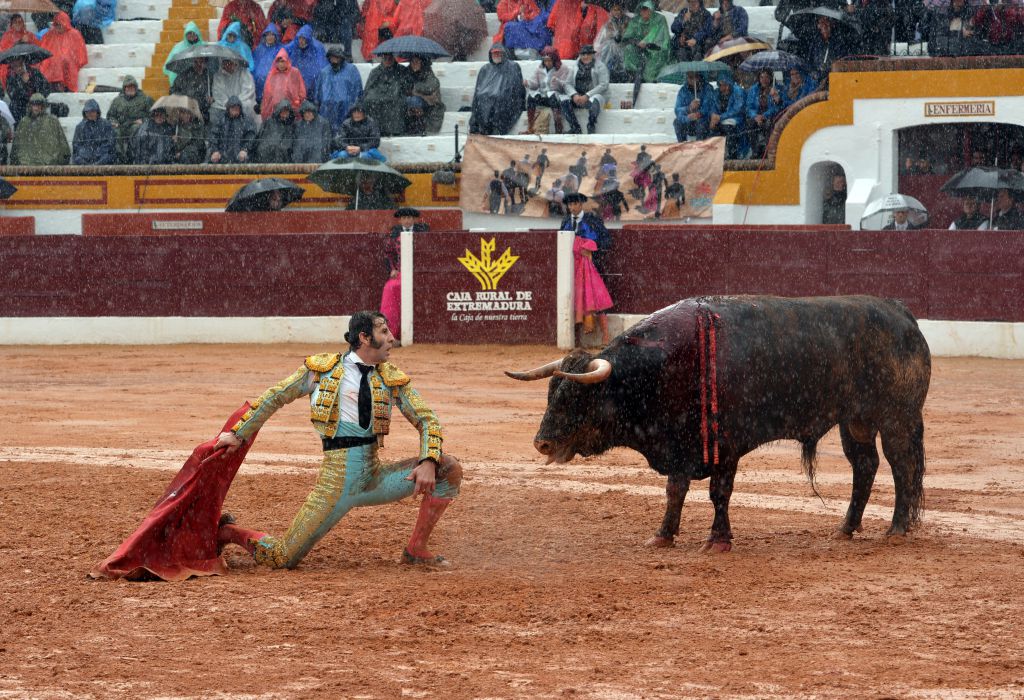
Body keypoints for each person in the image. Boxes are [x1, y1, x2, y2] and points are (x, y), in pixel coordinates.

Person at [213, 311, 462, 569]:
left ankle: (416, 549)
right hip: (335, 485)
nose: (392, 339)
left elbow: (426, 418)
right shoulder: (321, 371)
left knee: (449, 468)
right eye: (384, 332)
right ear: (364, 337)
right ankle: (229, 532)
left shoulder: (391, 378)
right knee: (283, 558)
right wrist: (238, 433)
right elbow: (275, 396)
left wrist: (429, 459)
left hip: (375, 478)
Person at [561, 193, 613, 346]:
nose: (572, 208)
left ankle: (605, 336)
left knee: (597, 298)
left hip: (592, 267)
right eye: (569, 205)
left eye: (574, 204)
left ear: (581, 204)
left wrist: (591, 248)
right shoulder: (565, 221)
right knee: (574, 300)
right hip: (570, 269)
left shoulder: (593, 220)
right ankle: (575, 339)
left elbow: (607, 240)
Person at [381, 207, 428, 341]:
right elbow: (388, 254)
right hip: (401, 273)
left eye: (409, 218)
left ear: (414, 219)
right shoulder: (394, 233)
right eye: (404, 218)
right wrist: (392, 269)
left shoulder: (423, 231)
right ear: (400, 220)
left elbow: (427, 253)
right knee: (391, 289)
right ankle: (391, 334)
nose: (407, 221)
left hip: (419, 273)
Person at [469, 44, 526, 135]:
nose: (496, 55)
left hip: (505, 97)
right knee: (480, 98)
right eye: (494, 53)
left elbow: (515, 86)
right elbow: (478, 89)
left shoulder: (512, 67)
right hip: (486, 97)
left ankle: (497, 126)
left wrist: (501, 92)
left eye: (498, 53)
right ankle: (483, 127)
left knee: (499, 99)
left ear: (503, 54)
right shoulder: (485, 69)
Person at [560, 44, 609, 135]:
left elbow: (603, 85)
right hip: (578, 97)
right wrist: (574, 95)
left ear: (592, 55)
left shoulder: (600, 66)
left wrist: (587, 95)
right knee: (564, 101)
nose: (585, 56)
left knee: (594, 102)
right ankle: (575, 127)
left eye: (588, 54)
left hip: (594, 95)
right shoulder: (575, 66)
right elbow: (567, 83)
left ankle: (591, 124)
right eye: (583, 54)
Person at [10, 93, 70, 165]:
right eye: (34, 105)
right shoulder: (24, 122)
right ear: (30, 106)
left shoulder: (52, 121)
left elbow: (64, 148)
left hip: (48, 167)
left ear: (43, 106)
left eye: (38, 105)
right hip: (27, 167)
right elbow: (16, 148)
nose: (36, 108)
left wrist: (58, 162)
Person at [362, 52, 412, 137]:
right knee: (369, 102)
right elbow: (368, 88)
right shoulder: (375, 71)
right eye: (385, 58)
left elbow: (407, 86)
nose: (388, 60)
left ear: (393, 58)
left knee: (396, 103)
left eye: (390, 58)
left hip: (396, 96)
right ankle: (375, 130)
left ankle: (394, 130)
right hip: (378, 96)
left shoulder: (402, 70)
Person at [314, 46, 362, 133]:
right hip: (327, 110)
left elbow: (357, 90)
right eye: (332, 57)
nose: (334, 60)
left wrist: (354, 106)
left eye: (337, 57)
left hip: (346, 110)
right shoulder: (324, 72)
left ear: (341, 58)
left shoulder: (351, 70)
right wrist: (317, 105)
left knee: (345, 134)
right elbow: (318, 93)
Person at [107, 75, 153, 164]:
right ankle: (120, 158)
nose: (130, 88)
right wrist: (114, 122)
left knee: (136, 129)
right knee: (115, 131)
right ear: (124, 88)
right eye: (128, 86)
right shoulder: (117, 101)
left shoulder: (145, 99)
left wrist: (143, 120)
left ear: (136, 87)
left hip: (137, 126)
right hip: (121, 126)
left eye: (132, 86)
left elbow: (153, 115)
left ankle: (133, 157)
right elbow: (110, 116)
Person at [622, 0, 670, 84]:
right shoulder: (636, 21)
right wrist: (637, 42)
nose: (644, 11)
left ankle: (649, 80)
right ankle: (634, 75)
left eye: (647, 9)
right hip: (639, 48)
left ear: (651, 10)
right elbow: (628, 37)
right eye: (642, 9)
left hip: (656, 49)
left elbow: (659, 36)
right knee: (629, 49)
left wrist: (647, 42)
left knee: (651, 67)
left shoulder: (659, 19)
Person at [524, 46, 570, 134]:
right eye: (545, 60)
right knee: (531, 98)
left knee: (553, 97)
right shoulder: (539, 69)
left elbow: (565, 86)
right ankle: (530, 127)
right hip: (543, 96)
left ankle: (558, 127)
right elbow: (535, 84)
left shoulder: (563, 69)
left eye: (549, 60)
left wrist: (557, 82)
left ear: (555, 59)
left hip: (556, 97)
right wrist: (528, 83)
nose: (547, 63)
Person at [39, 12, 88, 93]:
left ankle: (61, 85)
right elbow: (43, 49)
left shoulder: (74, 34)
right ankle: (56, 84)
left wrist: (65, 58)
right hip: (53, 63)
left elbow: (80, 53)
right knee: (50, 63)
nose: (58, 26)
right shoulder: (50, 34)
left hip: (68, 63)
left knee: (63, 62)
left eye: (60, 23)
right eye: (56, 24)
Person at [802, 15, 853, 86]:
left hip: (833, 80)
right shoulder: (815, 43)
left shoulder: (839, 42)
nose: (824, 25)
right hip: (816, 82)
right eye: (821, 22)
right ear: (818, 25)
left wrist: (826, 75)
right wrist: (815, 74)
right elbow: (810, 63)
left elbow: (841, 62)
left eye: (827, 22)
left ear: (832, 24)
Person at [260, 49, 306, 121]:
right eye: (278, 62)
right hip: (275, 110)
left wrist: (298, 102)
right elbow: (267, 94)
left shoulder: (294, 72)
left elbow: (301, 90)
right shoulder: (272, 74)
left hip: (292, 109)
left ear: (287, 61)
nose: (281, 64)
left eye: (283, 61)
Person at [208, 95, 257, 163]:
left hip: (241, 161)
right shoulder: (220, 119)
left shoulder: (246, 120)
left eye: (237, 109)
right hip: (221, 160)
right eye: (233, 108)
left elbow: (251, 137)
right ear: (228, 109)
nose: (235, 111)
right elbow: (213, 136)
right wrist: (215, 151)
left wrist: (245, 150)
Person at [210, 57, 258, 126]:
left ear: (235, 62)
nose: (227, 65)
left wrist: (236, 105)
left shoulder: (244, 73)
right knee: (214, 109)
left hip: (242, 104)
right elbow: (218, 93)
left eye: (229, 62)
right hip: (224, 106)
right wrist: (228, 105)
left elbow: (248, 92)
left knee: (248, 105)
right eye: (225, 62)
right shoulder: (218, 76)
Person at [746, 69, 782, 159]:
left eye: (766, 77)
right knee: (750, 124)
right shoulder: (753, 89)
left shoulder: (776, 89)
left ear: (770, 78)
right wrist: (755, 116)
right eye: (762, 77)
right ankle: (755, 151)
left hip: (770, 116)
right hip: (756, 116)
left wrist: (764, 116)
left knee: (768, 124)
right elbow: (748, 107)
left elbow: (776, 108)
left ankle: (768, 151)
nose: (764, 79)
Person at [708, 74, 746, 160]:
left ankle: (732, 155)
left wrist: (720, 117)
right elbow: (713, 106)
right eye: (721, 84)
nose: (723, 87)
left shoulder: (738, 91)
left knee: (728, 129)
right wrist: (713, 116)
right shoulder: (716, 93)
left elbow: (737, 109)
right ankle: (716, 155)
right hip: (720, 119)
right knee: (712, 129)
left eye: (725, 84)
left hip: (737, 119)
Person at [406, 56, 444, 136]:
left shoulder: (428, 73)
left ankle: (419, 124)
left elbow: (432, 85)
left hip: (429, 103)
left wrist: (416, 87)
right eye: (412, 62)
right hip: (414, 105)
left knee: (414, 101)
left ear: (422, 63)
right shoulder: (408, 73)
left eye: (417, 62)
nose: (414, 64)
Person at [5, 57, 51, 124]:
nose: (19, 68)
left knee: (62, 109)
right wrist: (23, 83)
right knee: (13, 106)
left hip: (36, 102)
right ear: (12, 67)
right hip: (21, 106)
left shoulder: (35, 73)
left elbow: (46, 88)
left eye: (20, 65)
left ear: (24, 64)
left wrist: (35, 94)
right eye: (16, 66)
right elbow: (13, 95)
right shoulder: (11, 78)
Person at [594, 0, 631, 82]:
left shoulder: (628, 21)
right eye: (615, 10)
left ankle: (625, 73)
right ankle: (605, 72)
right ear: (611, 11)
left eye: (619, 10)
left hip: (625, 46)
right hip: (612, 48)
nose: (617, 12)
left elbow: (630, 34)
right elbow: (601, 38)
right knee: (607, 47)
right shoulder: (608, 23)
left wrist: (622, 35)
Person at [285, 24, 328, 95]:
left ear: (308, 39)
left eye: (304, 39)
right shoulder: (294, 45)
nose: (301, 41)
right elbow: (283, 52)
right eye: (300, 38)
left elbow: (322, 66)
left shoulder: (317, 47)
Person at [71, 98, 116, 164]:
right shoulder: (80, 127)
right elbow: (76, 145)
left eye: (92, 111)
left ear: (97, 112)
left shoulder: (106, 124)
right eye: (87, 112)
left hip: (102, 155)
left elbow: (110, 143)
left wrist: (98, 153)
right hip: (85, 156)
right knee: (77, 159)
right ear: (84, 113)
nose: (90, 114)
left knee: (109, 157)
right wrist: (86, 153)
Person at [0, 15, 40, 88]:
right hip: (11, 63)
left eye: (20, 22)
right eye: (15, 22)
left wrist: (29, 41)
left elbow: (37, 49)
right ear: (11, 24)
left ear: (23, 23)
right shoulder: (7, 36)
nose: (18, 24)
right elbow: (5, 52)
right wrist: (20, 41)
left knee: (35, 71)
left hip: (27, 61)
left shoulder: (29, 34)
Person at [672, 71, 714, 142]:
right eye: (689, 77)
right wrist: (689, 108)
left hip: (703, 121)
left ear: (699, 77)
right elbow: (677, 110)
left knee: (701, 124)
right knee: (677, 122)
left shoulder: (707, 88)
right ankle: (682, 146)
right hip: (689, 121)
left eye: (695, 77)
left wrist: (699, 113)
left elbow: (709, 106)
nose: (692, 80)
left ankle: (699, 148)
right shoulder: (683, 90)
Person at [163, 21, 204, 85]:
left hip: (199, 77)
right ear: (185, 35)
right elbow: (169, 63)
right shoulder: (179, 47)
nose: (191, 36)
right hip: (181, 79)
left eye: (193, 33)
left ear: (197, 34)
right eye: (189, 34)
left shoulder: (203, 46)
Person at [252, 24, 283, 105]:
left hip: (275, 82)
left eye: (272, 34)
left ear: (275, 36)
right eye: (268, 35)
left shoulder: (280, 49)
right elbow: (254, 64)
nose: (270, 37)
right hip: (259, 84)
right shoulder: (259, 49)